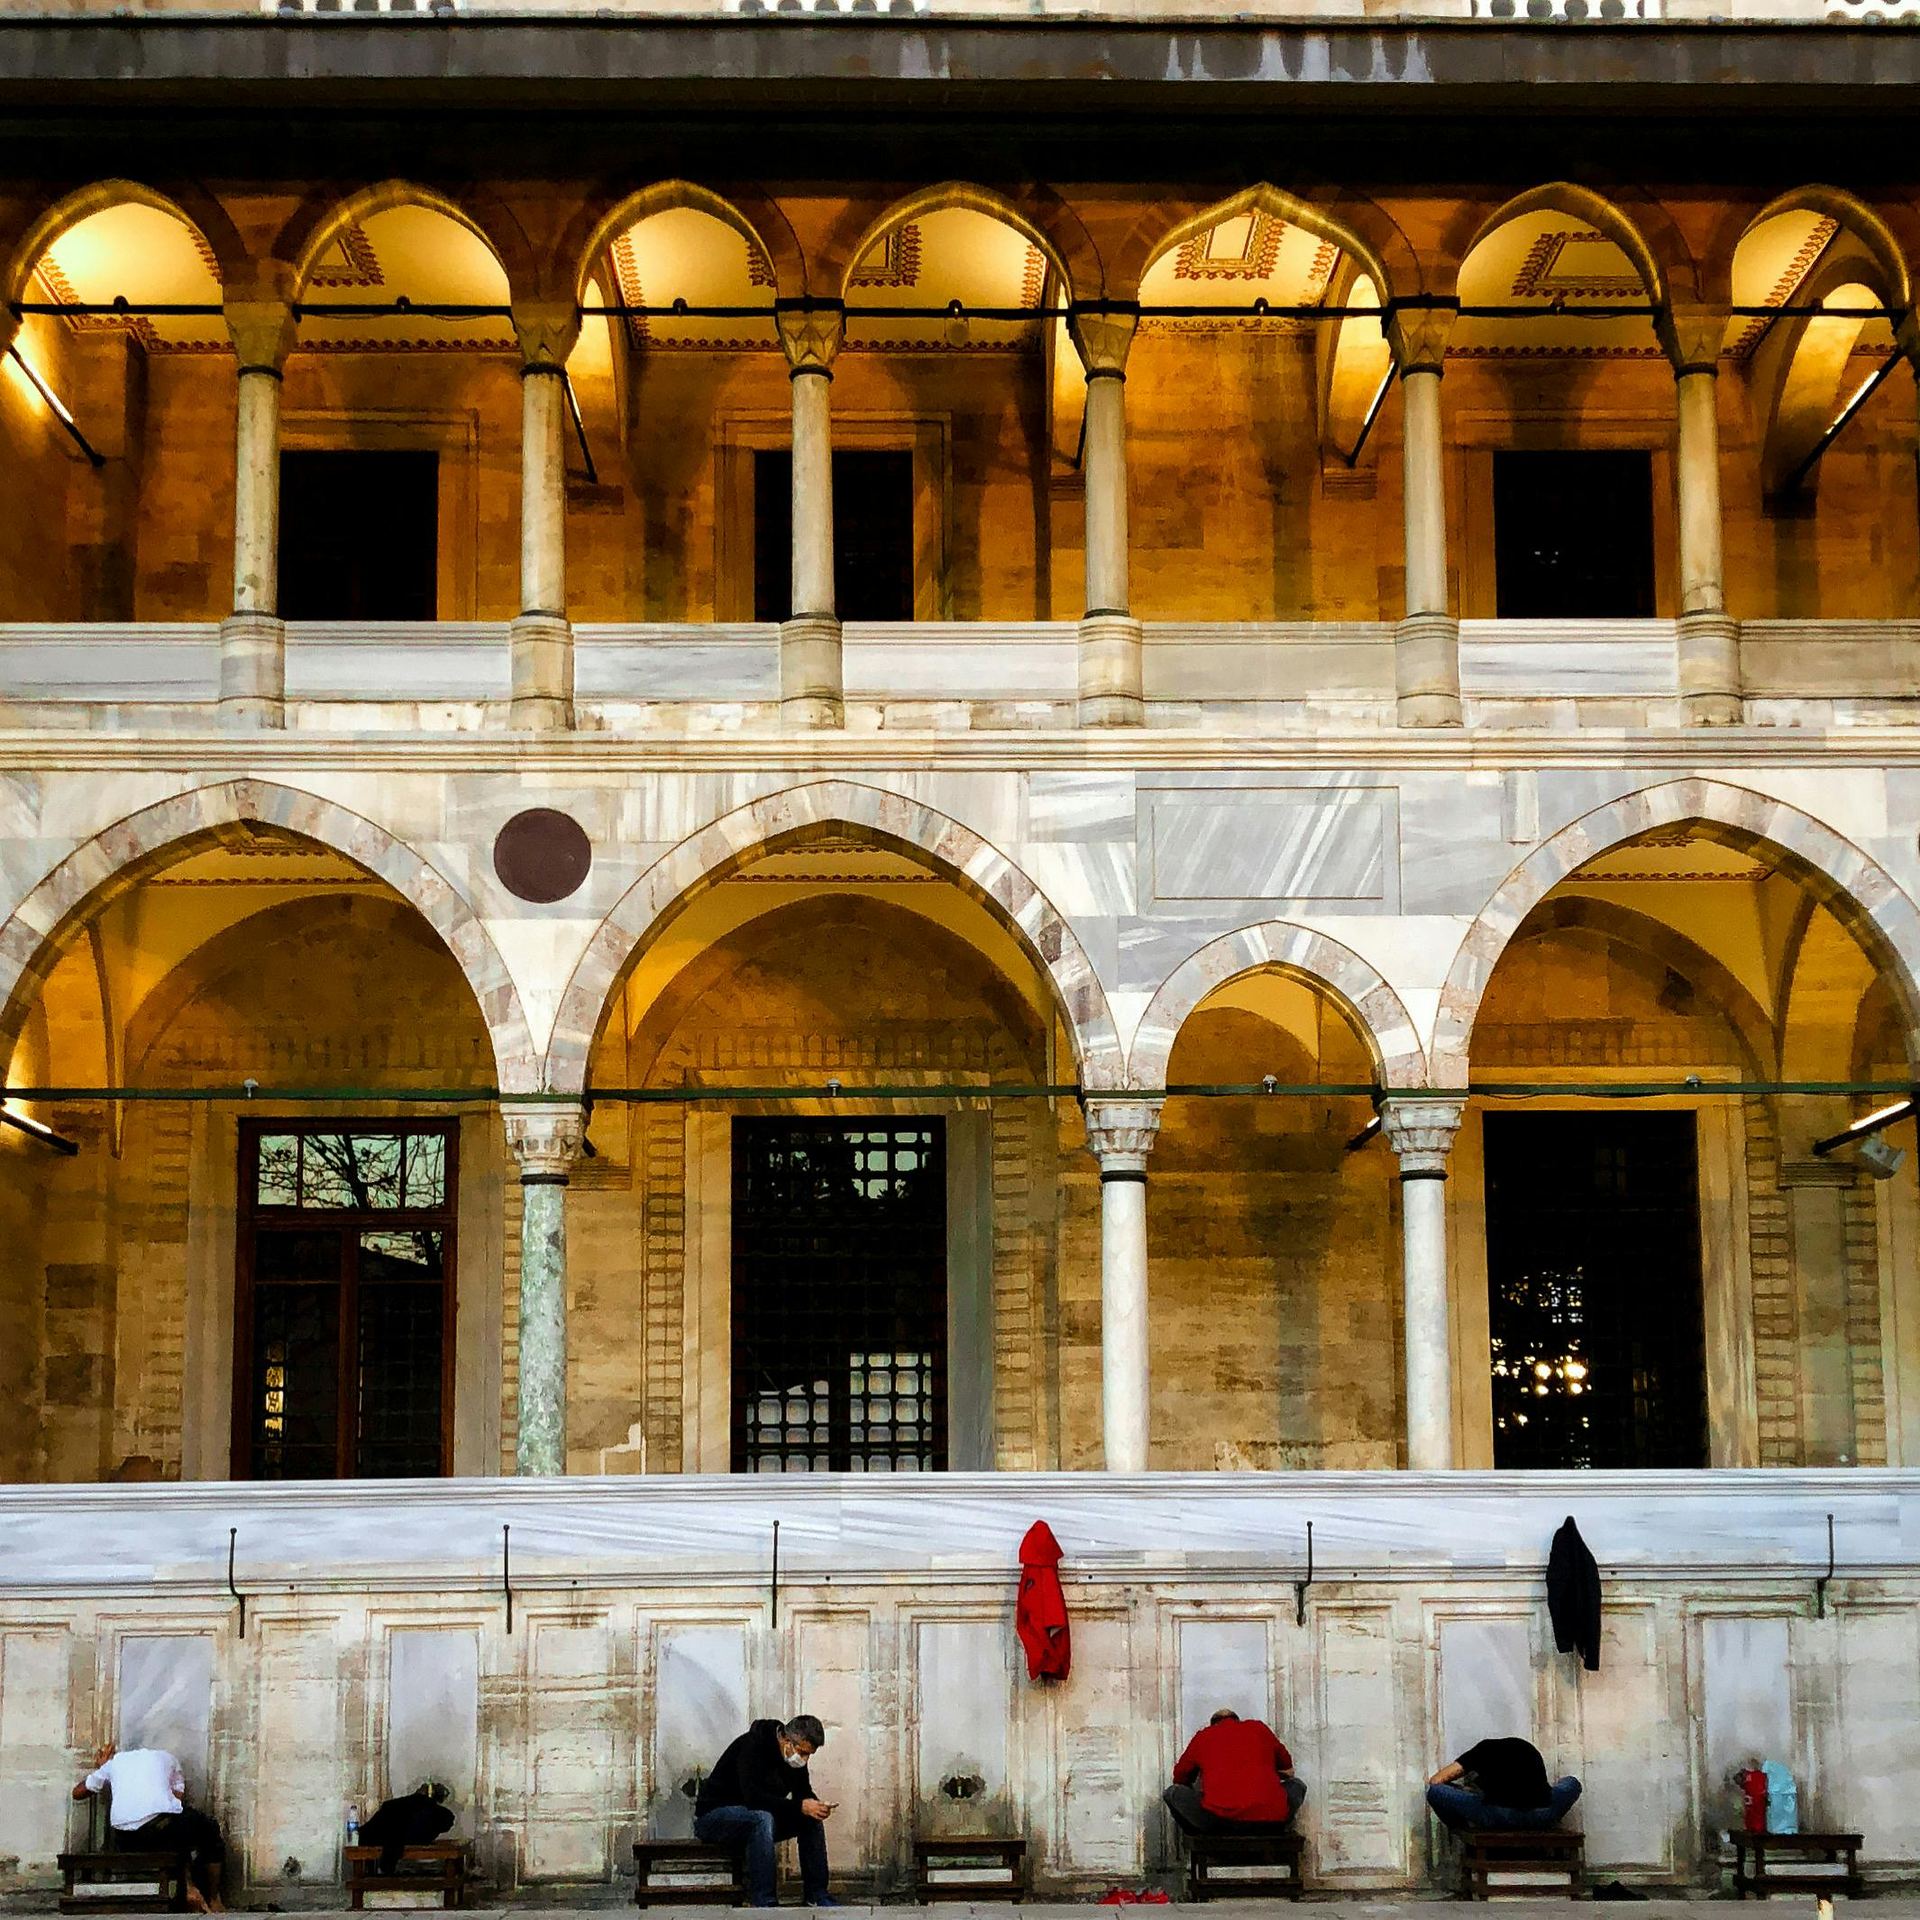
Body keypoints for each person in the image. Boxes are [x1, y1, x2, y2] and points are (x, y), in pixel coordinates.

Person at [693, 1714, 837, 1908]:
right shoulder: (751, 1746)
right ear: (786, 1740)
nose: (804, 1759)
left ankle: (817, 1895)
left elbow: (802, 1792)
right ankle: (764, 1900)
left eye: (808, 1755)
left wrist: (817, 1806)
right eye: (802, 1753)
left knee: (810, 1818)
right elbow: (754, 1799)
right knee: (762, 1818)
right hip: (714, 1818)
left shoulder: (793, 1759)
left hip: (757, 1819)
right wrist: (800, 1806)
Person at [73, 1744, 228, 1912]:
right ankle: (211, 1897)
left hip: (124, 1839)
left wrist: (103, 1771)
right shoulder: (168, 1758)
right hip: (161, 1833)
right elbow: (178, 1798)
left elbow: (77, 1793)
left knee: (175, 1829)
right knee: (204, 1827)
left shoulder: (114, 1763)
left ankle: (188, 1888)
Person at [1163, 1709, 1307, 1835]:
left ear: (1213, 1724)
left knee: (1173, 1792)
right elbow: (1289, 1771)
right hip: (1271, 1822)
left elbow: (1179, 1778)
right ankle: (1280, 1831)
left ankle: (1200, 1838)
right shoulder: (1260, 1728)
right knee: (1297, 1785)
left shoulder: (1203, 1735)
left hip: (1222, 1822)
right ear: (1237, 1720)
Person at [1426, 1736, 1582, 1833]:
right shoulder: (1524, 1746)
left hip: (1497, 1816)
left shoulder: (1483, 1750)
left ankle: (1463, 1830)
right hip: (1542, 1814)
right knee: (1572, 1782)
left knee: (1436, 1791)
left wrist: (1464, 1788)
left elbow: (1436, 1781)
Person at [358, 1780, 456, 1875]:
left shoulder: (394, 1806)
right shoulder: (440, 1814)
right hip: (396, 1842)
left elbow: (367, 1833)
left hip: (384, 1841)